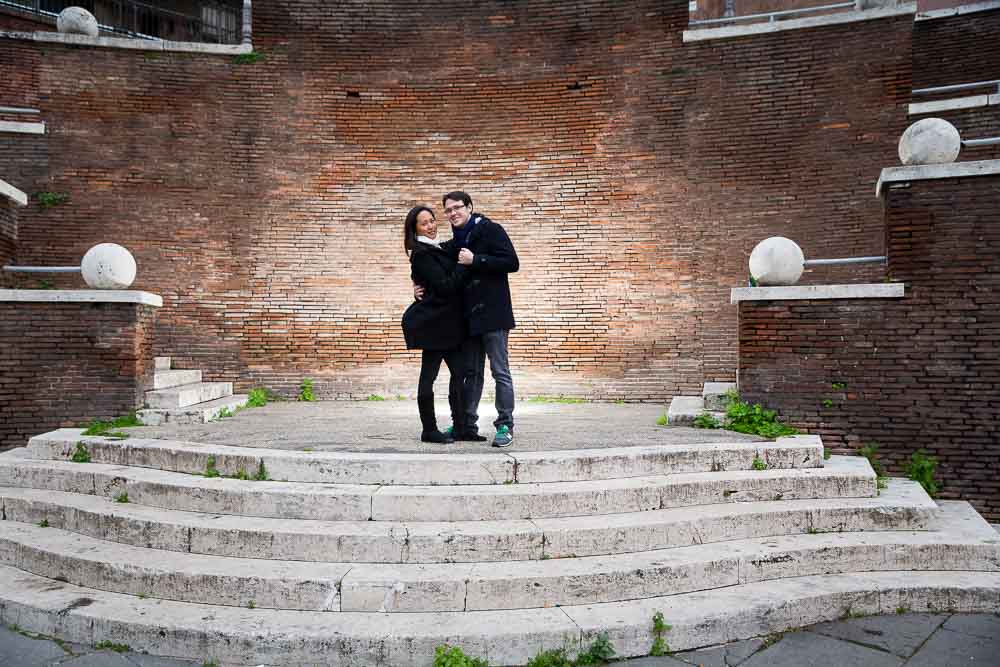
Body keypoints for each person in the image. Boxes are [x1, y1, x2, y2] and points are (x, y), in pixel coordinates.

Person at [439, 191, 519, 448]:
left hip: (494, 314)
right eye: (448, 210)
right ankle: (466, 424)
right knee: (471, 374)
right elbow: (433, 261)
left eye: (457, 208)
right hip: (469, 319)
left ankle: (505, 424)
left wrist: (477, 260)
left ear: (470, 207)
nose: (453, 213)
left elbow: (511, 262)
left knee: (500, 372)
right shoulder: (455, 242)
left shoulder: (491, 229)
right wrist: (417, 285)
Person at [401, 205, 468, 443]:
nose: (430, 226)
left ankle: (461, 427)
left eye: (432, 221)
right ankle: (428, 429)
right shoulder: (421, 253)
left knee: (460, 375)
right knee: (428, 377)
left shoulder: (437, 247)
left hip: (450, 324)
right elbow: (446, 286)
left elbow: (453, 248)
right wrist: (463, 264)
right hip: (434, 325)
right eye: (424, 223)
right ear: (415, 228)